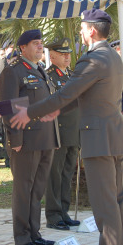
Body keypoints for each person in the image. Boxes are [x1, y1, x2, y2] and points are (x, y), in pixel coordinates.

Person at [10, 9, 123, 245]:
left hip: (99, 141)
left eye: (83, 28)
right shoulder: (113, 56)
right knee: (117, 202)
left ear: (92, 30)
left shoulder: (93, 59)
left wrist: (31, 112)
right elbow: (85, 96)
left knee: (105, 206)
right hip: (114, 137)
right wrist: (57, 110)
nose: (81, 31)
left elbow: (66, 93)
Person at [0, 29, 60, 245]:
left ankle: (35, 234)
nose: (40, 47)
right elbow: (9, 109)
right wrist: (15, 140)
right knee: (24, 190)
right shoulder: (13, 72)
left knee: (37, 190)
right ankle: (23, 237)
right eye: (35, 43)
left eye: (40, 43)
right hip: (26, 141)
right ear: (22, 47)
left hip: (45, 139)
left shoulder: (40, 69)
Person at [44, 38, 80, 231]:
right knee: (55, 175)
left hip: (73, 132)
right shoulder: (48, 76)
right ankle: (53, 215)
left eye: (68, 53)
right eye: (63, 54)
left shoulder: (71, 75)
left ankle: (63, 211)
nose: (67, 57)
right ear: (52, 56)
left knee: (67, 174)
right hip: (58, 133)